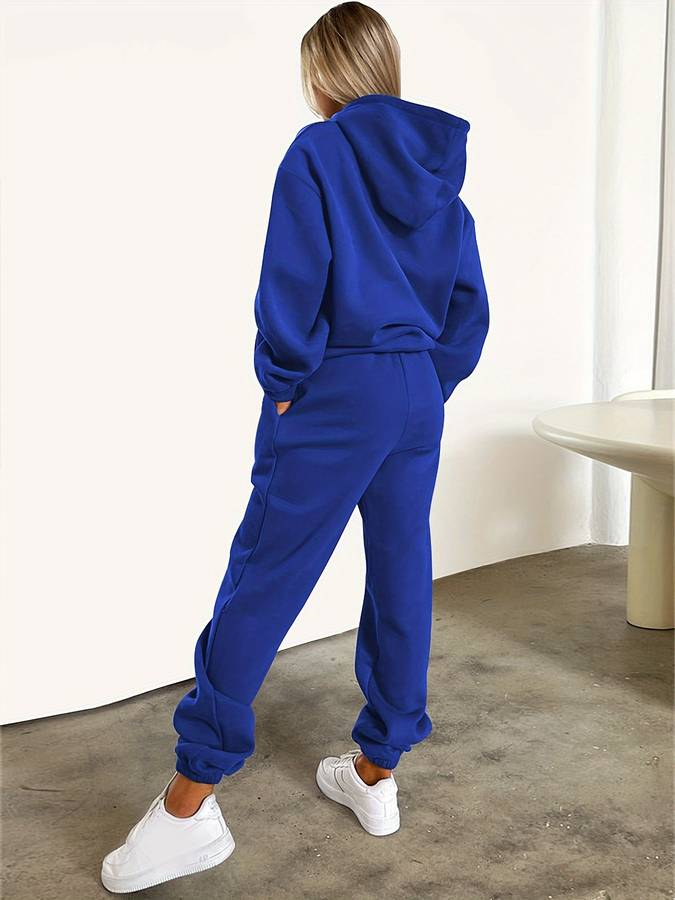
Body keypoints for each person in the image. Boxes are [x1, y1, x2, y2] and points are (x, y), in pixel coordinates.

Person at [101, 1, 489, 892]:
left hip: (337, 389)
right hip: (413, 393)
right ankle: (376, 774)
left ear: (324, 75)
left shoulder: (318, 151)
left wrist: (284, 380)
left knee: (264, 574)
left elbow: (294, 281)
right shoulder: (443, 180)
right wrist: (424, 380)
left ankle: (188, 808)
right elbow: (468, 309)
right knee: (400, 572)